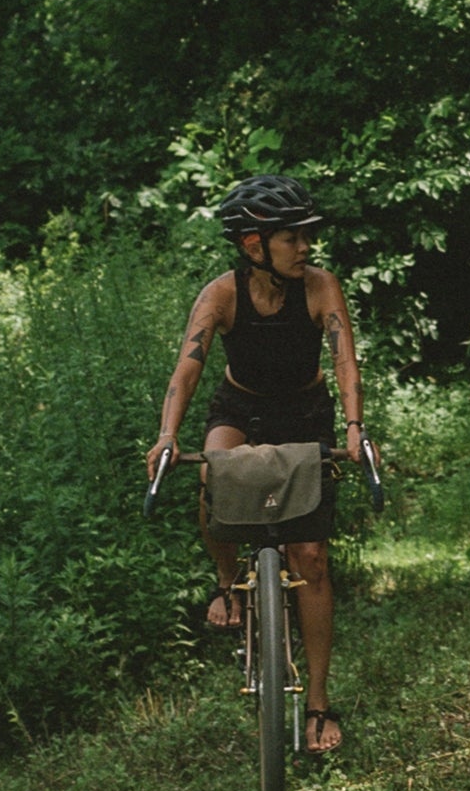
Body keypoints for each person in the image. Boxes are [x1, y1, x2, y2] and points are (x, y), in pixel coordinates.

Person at [145, 174, 365, 755]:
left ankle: (317, 703)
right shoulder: (221, 293)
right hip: (241, 406)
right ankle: (226, 584)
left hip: (305, 410)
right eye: (291, 238)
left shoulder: (320, 287)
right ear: (253, 245)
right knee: (209, 471)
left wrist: (354, 430)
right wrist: (167, 435)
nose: (305, 248)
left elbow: (344, 362)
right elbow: (188, 367)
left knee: (310, 557)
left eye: (306, 237)